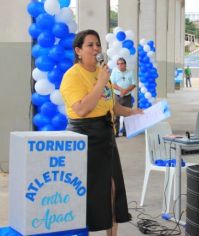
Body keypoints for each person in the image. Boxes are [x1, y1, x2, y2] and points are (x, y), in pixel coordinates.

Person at [60, 29, 142, 235]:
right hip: (84, 136)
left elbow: (112, 106)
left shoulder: (102, 72)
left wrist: (134, 112)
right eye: (90, 45)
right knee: (88, 191)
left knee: (112, 189)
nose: (96, 48)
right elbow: (81, 108)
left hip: (106, 135)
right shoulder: (73, 76)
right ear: (78, 50)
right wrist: (100, 82)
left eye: (98, 44)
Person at [110, 57, 136, 137]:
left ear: (125, 64)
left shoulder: (130, 72)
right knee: (116, 115)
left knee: (127, 115)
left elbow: (133, 84)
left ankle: (126, 132)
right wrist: (121, 90)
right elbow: (112, 84)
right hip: (117, 96)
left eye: (122, 63)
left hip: (127, 97)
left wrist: (126, 91)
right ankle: (116, 132)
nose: (120, 65)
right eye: (118, 64)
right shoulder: (114, 71)